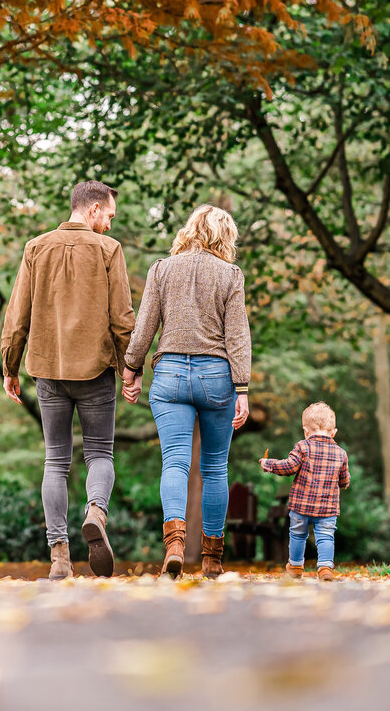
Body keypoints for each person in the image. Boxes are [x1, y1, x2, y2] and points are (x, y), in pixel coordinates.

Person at [0, 180, 136, 579]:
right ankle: (96, 510)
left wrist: (9, 366)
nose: (110, 225)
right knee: (99, 454)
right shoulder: (109, 250)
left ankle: (60, 556)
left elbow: (17, 315)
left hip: (47, 370)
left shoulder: (35, 247)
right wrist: (131, 367)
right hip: (95, 370)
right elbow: (122, 317)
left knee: (55, 461)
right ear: (93, 209)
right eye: (109, 215)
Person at [122, 204, 251, 580]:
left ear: (189, 229)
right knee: (214, 468)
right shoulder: (230, 275)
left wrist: (131, 369)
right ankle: (212, 559)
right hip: (217, 377)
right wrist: (241, 387)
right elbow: (237, 336)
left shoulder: (162, 269)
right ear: (225, 236)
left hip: (171, 375)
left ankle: (174, 545)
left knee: (175, 462)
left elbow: (145, 325)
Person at [261, 401, 350, 581]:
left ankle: (295, 566)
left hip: (301, 506)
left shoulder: (303, 446)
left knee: (297, 535)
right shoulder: (341, 453)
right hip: (327, 508)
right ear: (334, 433)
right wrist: (343, 483)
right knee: (325, 537)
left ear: (306, 431)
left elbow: (289, 467)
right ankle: (325, 568)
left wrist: (268, 464)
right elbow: (344, 480)